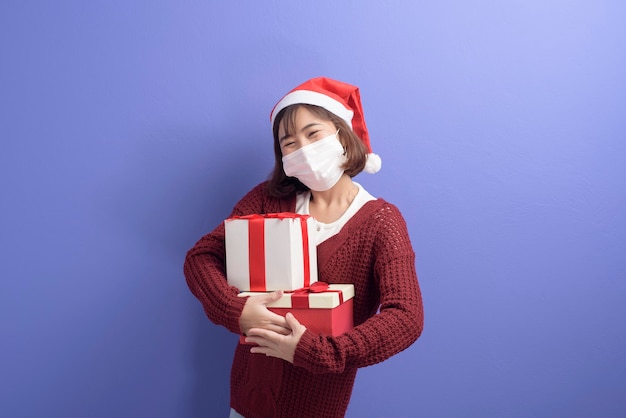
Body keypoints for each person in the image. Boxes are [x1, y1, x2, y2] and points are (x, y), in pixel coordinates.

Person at [184, 77, 424, 418]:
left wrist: (325, 351)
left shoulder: (381, 222)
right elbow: (201, 257)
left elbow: (406, 317)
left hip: (315, 406)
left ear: (342, 135)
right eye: (289, 142)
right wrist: (237, 311)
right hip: (247, 396)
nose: (303, 149)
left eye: (313, 134)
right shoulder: (266, 199)